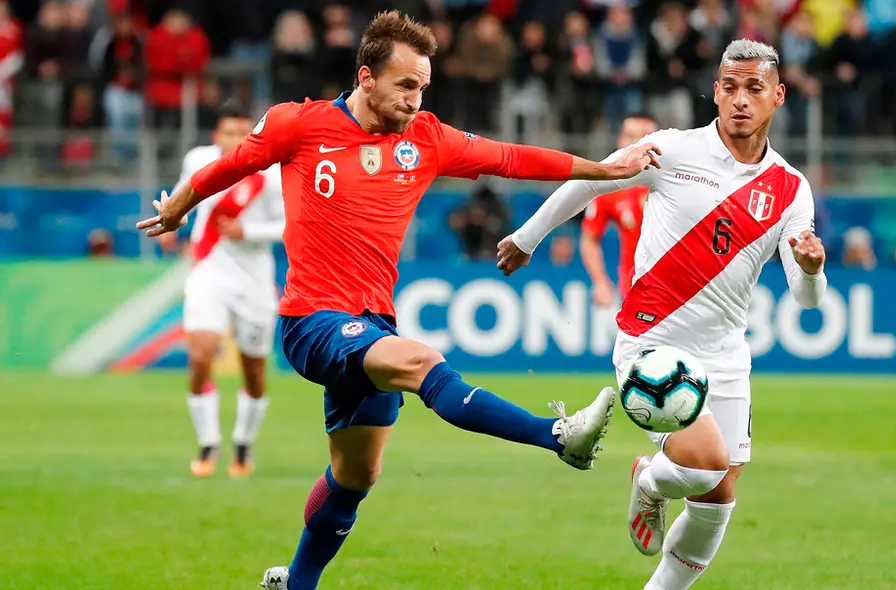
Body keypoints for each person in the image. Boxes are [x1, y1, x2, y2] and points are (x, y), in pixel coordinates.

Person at [136, 11, 659, 590]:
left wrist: (604, 170)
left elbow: (510, 158)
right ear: (366, 77)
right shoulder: (299, 124)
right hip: (312, 320)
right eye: (405, 85)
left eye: (422, 88)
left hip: (371, 323)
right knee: (421, 361)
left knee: (354, 476)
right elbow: (231, 165)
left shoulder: (425, 138)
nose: (415, 100)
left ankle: (296, 582)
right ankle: (557, 436)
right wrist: (177, 207)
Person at [498, 39, 828, 590]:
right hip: (653, 345)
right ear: (715, 92)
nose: (740, 99)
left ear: (778, 96)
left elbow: (806, 298)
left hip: (726, 355)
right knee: (703, 466)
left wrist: (812, 270)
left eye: (754, 88)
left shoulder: (792, 188)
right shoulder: (671, 149)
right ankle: (651, 480)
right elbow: (590, 180)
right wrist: (527, 238)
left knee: (718, 498)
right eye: (730, 87)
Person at [158, 103, 285, 479]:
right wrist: (172, 221)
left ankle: (243, 444)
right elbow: (183, 196)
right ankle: (208, 443)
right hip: (209, 271)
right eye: (229, 133)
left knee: (254, 372)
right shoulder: (199, 159)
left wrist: (249, 232)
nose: (235, 140)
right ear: (217, 136)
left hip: (254, 280)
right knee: (199, 355)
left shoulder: (271, 172)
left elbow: (290, 224)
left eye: (243, 133)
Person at [580, 113, 659, 307]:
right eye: (631, 137)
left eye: (645, 137)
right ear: (620, 141)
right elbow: (589, 238)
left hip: (681, 292)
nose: (637, 144)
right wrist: (600, 281)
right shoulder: (610, 189)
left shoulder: (680, 181)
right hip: (635, 292)